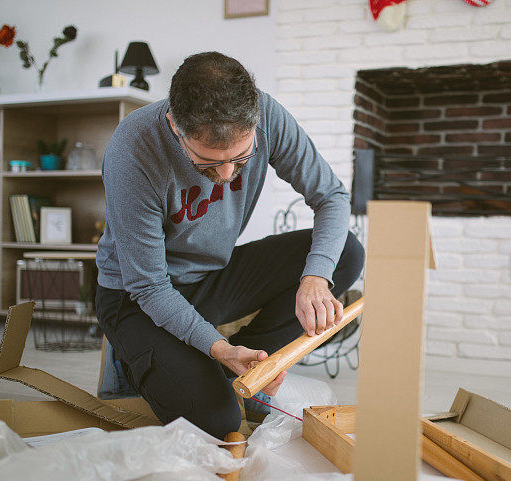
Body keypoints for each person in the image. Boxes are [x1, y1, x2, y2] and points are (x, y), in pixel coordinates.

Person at [94, 52, 364, 439]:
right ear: (175, 126)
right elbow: (149, 286)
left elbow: (332, 197)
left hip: (211, 276)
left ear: (255, 120)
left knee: (346, 253)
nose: (223, 176)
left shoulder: (266, 113)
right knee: (220, 423)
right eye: (207, 163)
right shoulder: (134, 150)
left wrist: (316, 279)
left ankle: (249, 361)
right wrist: (217, 347)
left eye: (240, 159)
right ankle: (146, 359)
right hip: (136, 297)